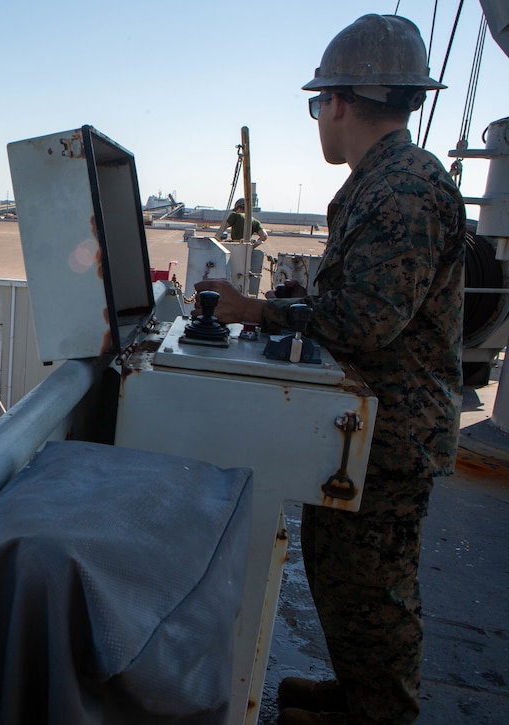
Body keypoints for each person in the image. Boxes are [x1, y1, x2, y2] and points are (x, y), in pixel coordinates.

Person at [195, 14, 464, 725]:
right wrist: (293, 301)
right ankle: (357, 691)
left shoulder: (404, 189)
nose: (319, 117)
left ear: (339, 102)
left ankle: (383, 711)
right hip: (369, 423)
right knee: (342, 571)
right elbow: (357, 299)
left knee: (375, 591)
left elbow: (368, 320)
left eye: (319, 104)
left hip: (396, 432)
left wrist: (255, 309)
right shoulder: (382, 181)